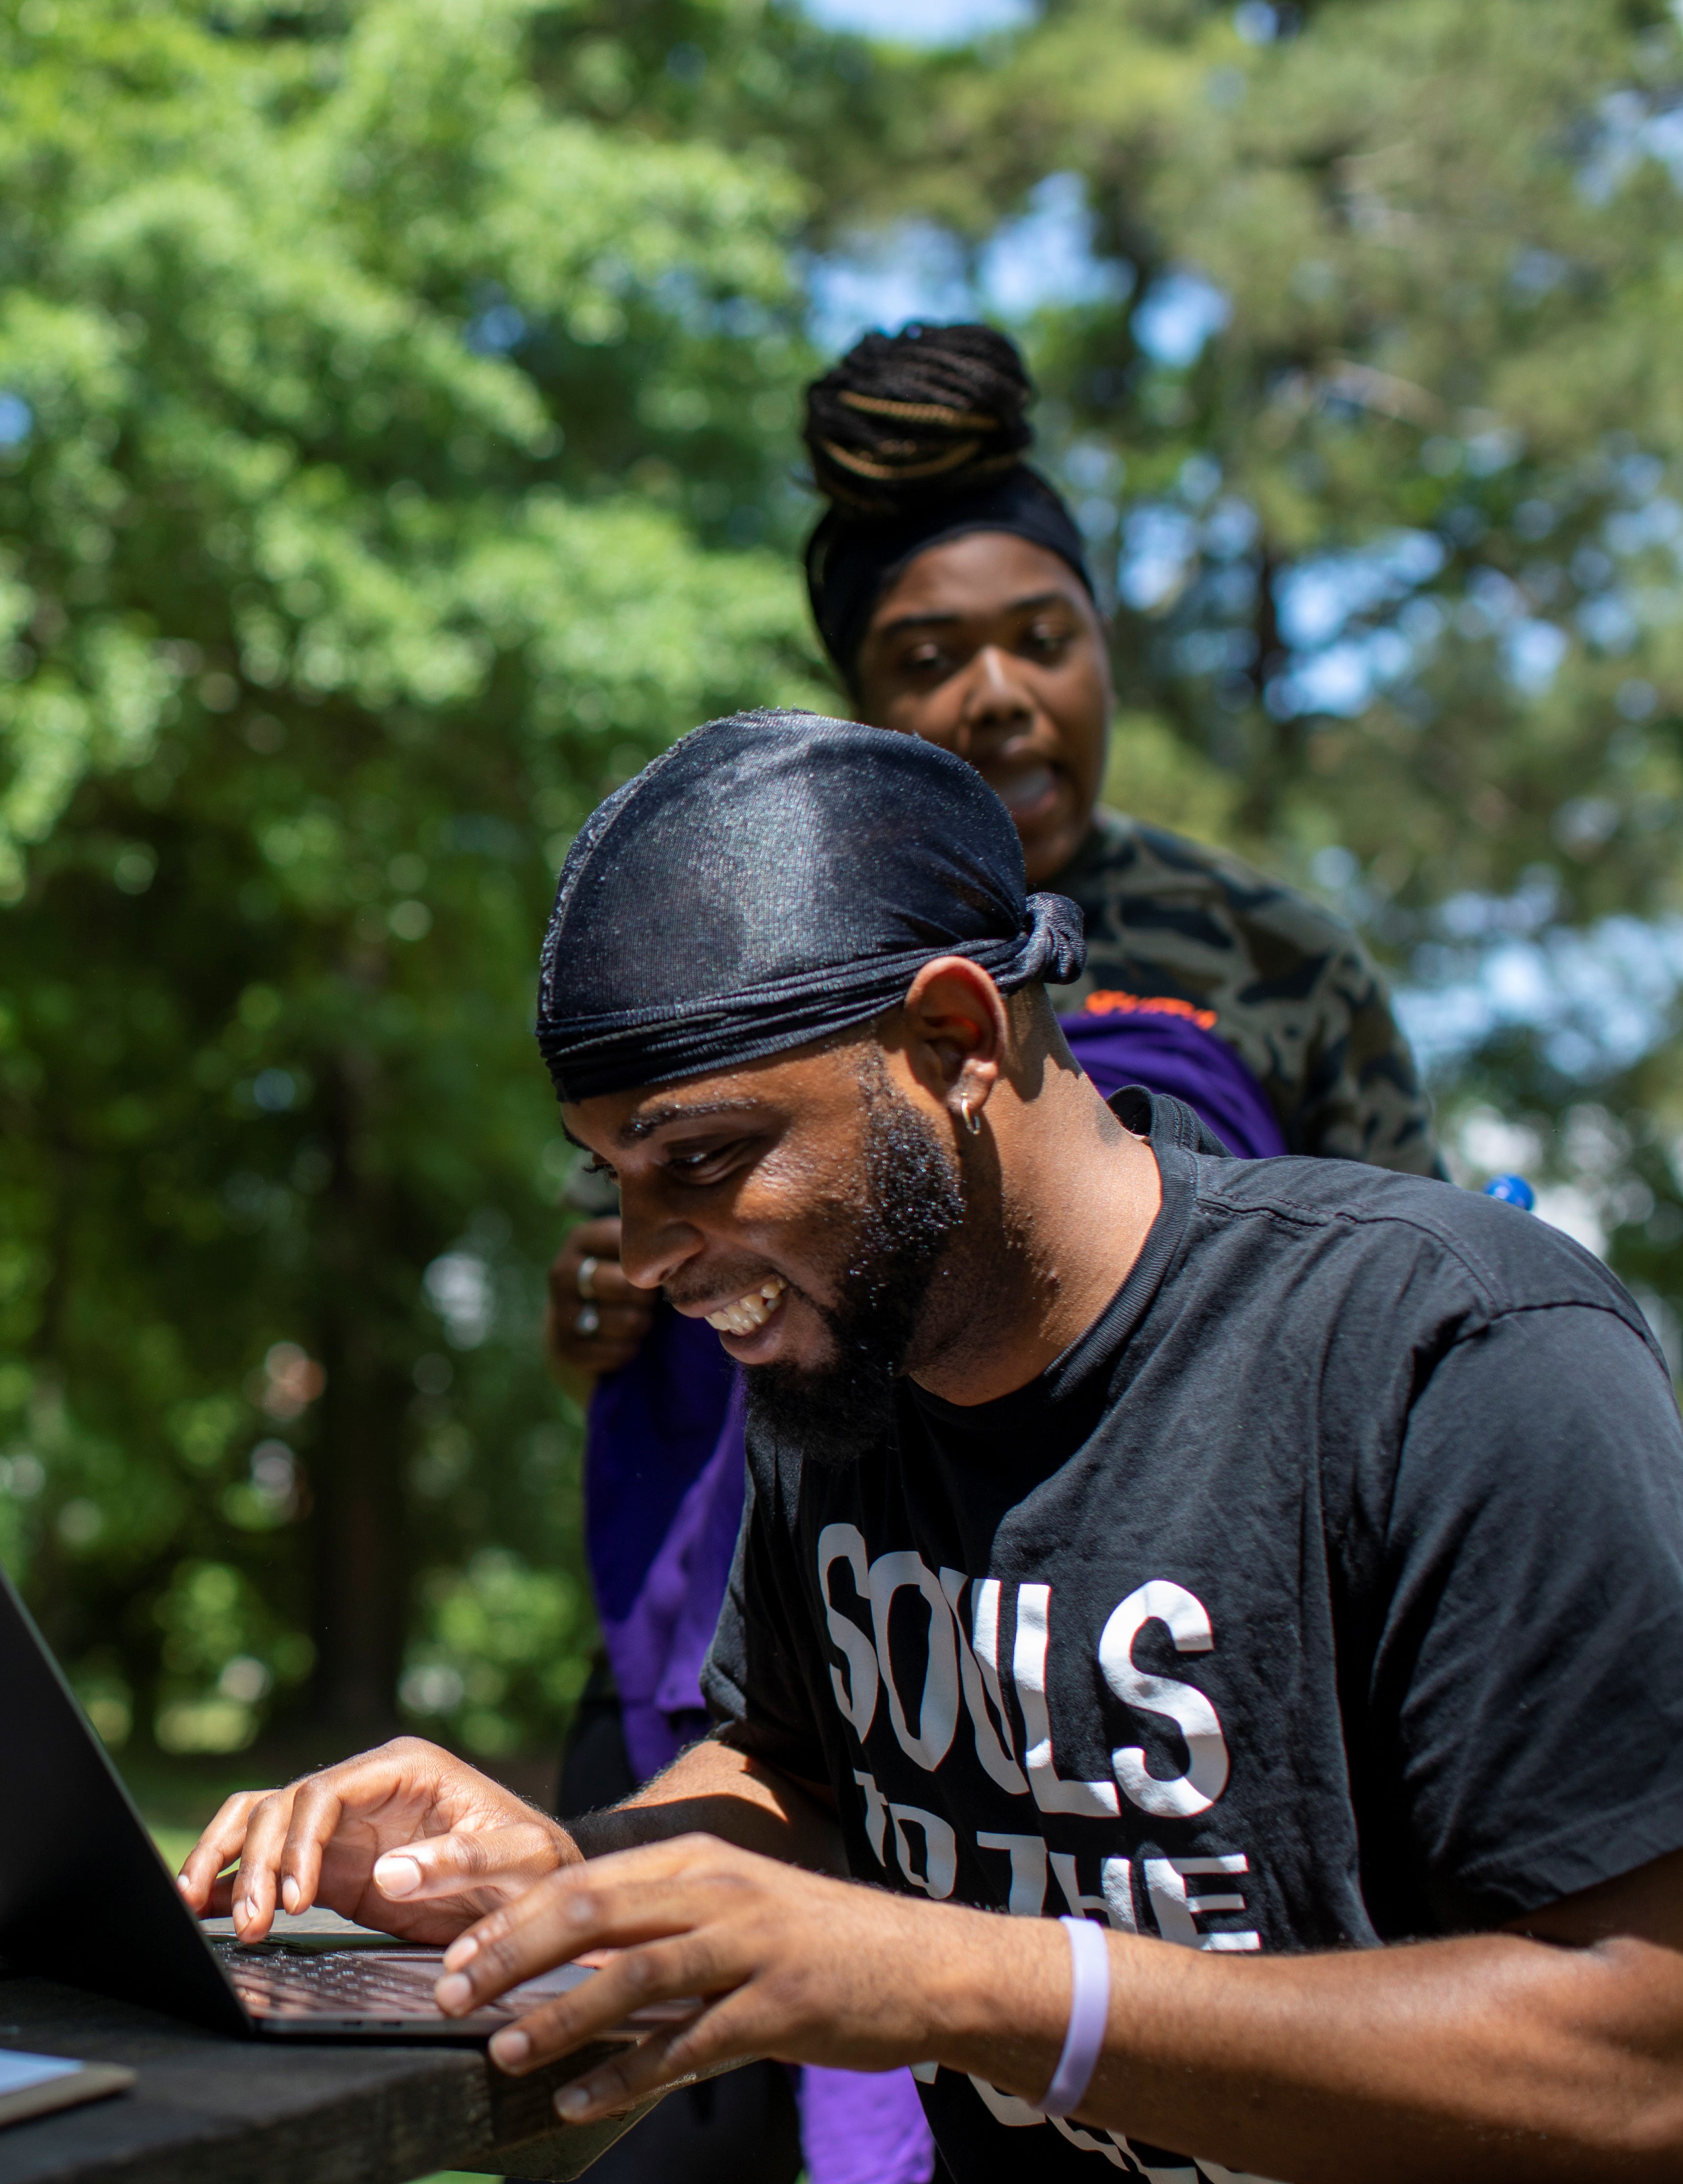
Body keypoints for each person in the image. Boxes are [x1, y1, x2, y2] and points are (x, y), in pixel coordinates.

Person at [185, 710, 1683, 2182]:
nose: (645, 1255)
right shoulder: (843, 1360)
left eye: (701, 1159)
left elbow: (1667, 2061)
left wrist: (958, 1978)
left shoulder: (1450, 1353)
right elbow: (804, 1765)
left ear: (955, 1035)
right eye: (612, 1175)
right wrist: (580, 1879)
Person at [531, 327, 1449, 2184]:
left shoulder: (1278, 965)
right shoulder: (765, 941)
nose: (1002, 696)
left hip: (1185, 1656)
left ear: (971, 1034)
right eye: (927, 659)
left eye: (1046, 636)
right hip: (867, 1628)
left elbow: (1392, 1306)